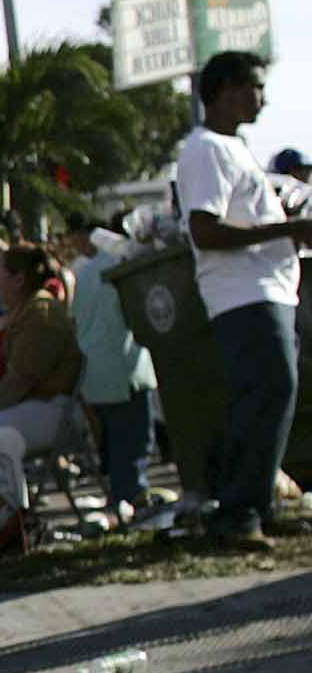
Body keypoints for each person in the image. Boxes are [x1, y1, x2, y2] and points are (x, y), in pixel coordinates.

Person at [177, 53, 311, 549]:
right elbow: (205, 230)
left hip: (268, 292)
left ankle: (256, 505)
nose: (263, 98)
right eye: (255, 87)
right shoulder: (205, 148)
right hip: (244, 297)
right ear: (226, 89)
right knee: (266, 393)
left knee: (273, 398)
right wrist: (291, 228)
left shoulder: (233, 149)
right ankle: (237, 514)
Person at [66, 213, 157, 519]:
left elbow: (76, 319)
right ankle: (134, 506)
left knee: (114, 447)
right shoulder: (127, 266)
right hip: (125, 369)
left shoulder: (87, 272)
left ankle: (122, 503)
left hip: (94, 372)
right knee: (134, 446)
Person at [0, 244, 83, 453]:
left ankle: (4, 488)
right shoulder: (24, 311)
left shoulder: (40, 314)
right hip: (39, 403)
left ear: (18, 280)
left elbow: (19, 381)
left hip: (55, 407)